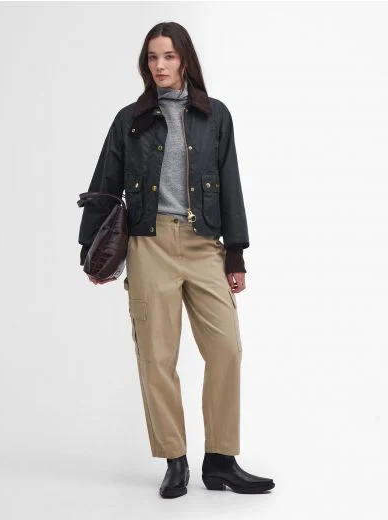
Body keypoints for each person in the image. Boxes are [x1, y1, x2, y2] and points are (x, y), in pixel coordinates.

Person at [78, 22, 275, 498]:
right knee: (157, 357)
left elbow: (230, 182)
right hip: (149, 246)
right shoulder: (129, 120)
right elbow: (104, 184)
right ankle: (175, 460)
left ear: (185, 59)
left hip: (204, 244)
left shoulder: (215, 115)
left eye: (168, 56)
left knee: (226, 349)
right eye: (152, 57)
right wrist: (91, 254)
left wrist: (236, 254)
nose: (160, 65)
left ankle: (221, 460)